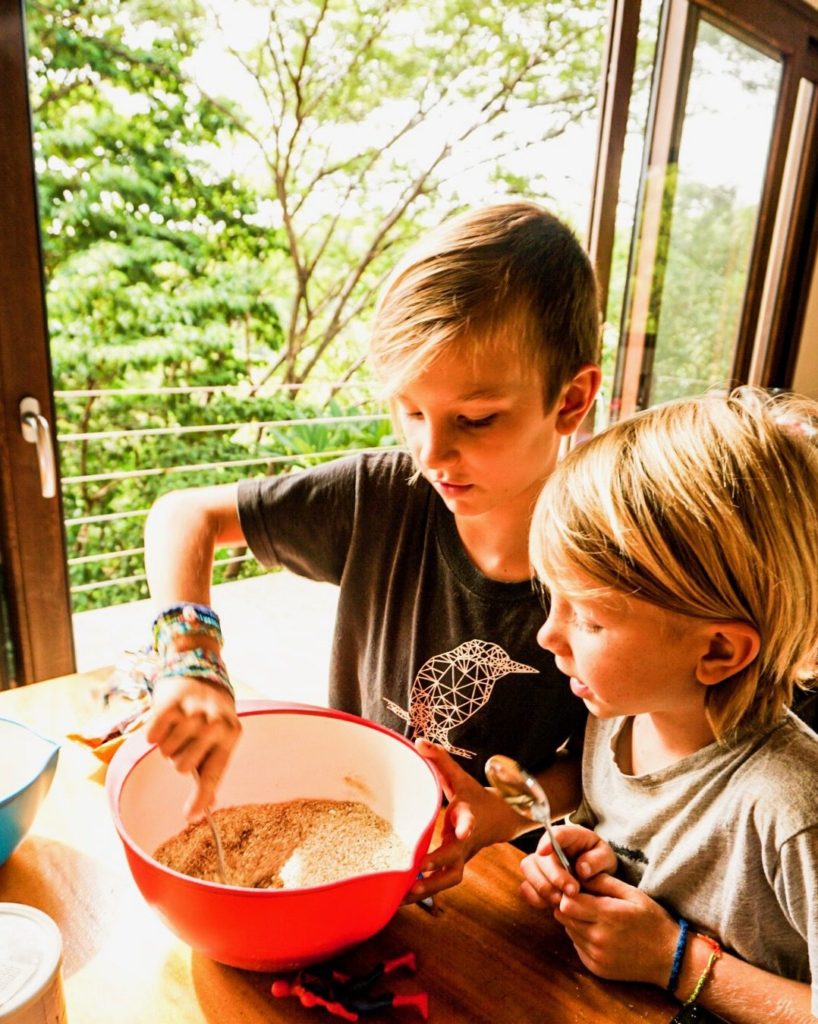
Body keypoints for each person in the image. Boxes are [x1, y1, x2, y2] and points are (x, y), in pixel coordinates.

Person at [141, 201, 603, 896]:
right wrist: (191, 660)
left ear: (570, 400)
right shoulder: (380, 496)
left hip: (494, 880)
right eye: (410, 410)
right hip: (348, 833)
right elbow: (183, 516)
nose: (431, 451)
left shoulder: (604, 563)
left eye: (475, 419)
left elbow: (595, 760)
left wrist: (498, 814)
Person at [518, 388, 818, 1023]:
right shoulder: (614, 717)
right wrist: (592, 861)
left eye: (589, 619)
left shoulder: (792, 809)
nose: (548, 636)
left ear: (718, 651)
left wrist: (673, 962)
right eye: (552, 597)